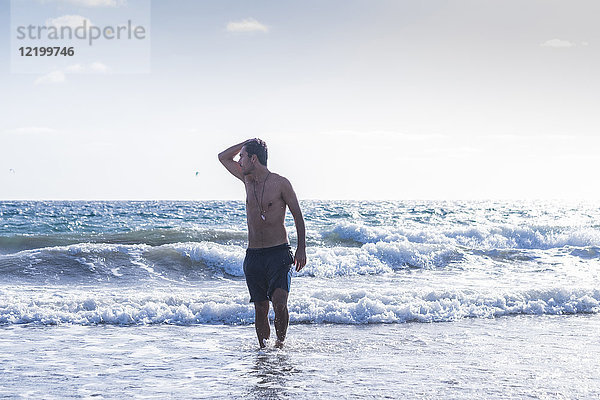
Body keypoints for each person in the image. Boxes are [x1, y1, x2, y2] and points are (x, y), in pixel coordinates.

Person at [218, 139, 307, 348]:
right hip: (254, 255)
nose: (239, 161)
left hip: (278, 253)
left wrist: (301, 248)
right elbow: (222, 157)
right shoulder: (246, 179)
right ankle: (264, 352)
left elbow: (298, 216)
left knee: (279, 303)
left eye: (242, 156)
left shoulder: (280, 183)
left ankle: (280, 345)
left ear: (253, 158)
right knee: (260, 307)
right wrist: (246, 143)